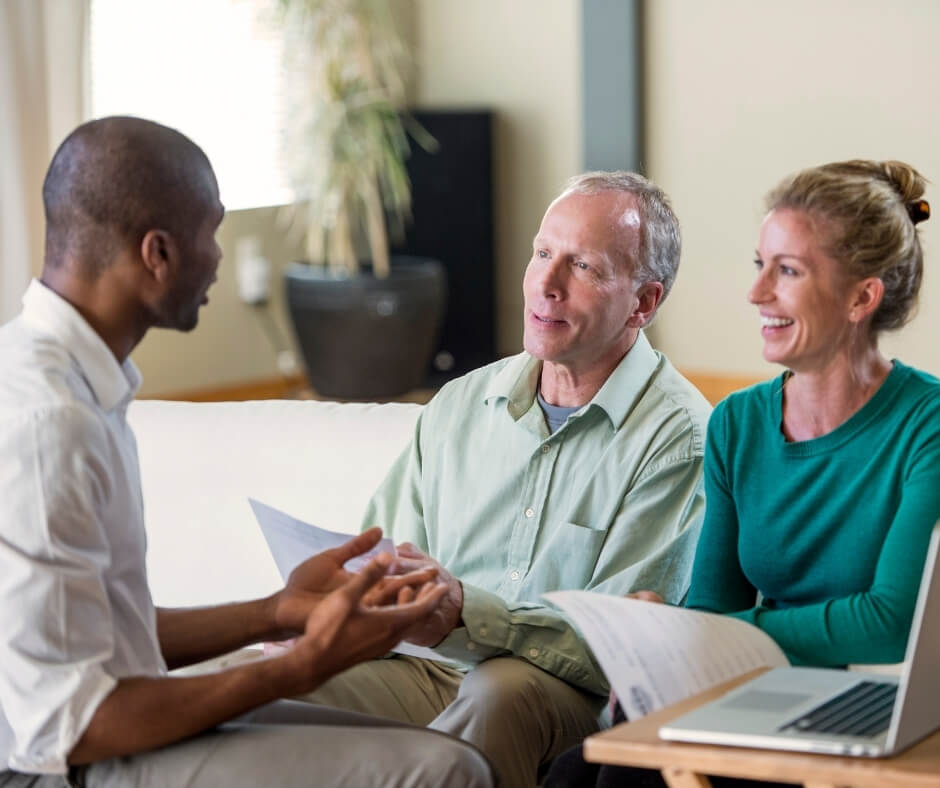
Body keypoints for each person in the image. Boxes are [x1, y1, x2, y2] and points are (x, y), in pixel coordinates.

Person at [0, 116, 495, 788]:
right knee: (445, 773)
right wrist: (302, 663)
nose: (220, 256)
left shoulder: (69, 382)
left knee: (450, 755)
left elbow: (106, 637)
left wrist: (277, 610)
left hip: (82, 735)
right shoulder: (49, 421)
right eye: (212, 232)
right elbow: (73, 723)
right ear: (158, 253)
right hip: (50, 767)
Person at [299, 171, 714, 788]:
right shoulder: (461, 405)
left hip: (563, 694)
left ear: (644, 303)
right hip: (427, 670)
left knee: (500, 692)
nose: (546, 284)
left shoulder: (680, 439)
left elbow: (620, 648)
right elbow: (382, 554)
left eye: (583, 267)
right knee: (268, 681)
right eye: (543, 253)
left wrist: (472, 613)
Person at [544, 159, 940, 788]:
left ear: (862, 296)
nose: (757, 295)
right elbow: (713, 604)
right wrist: (669, 641)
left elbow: (889, 623)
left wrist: (718, 633)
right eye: (761, 266)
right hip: (770, 695)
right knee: (581, 770)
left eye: (788, 272)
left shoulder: (928, 424)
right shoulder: (737, 424)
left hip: (885, 714)